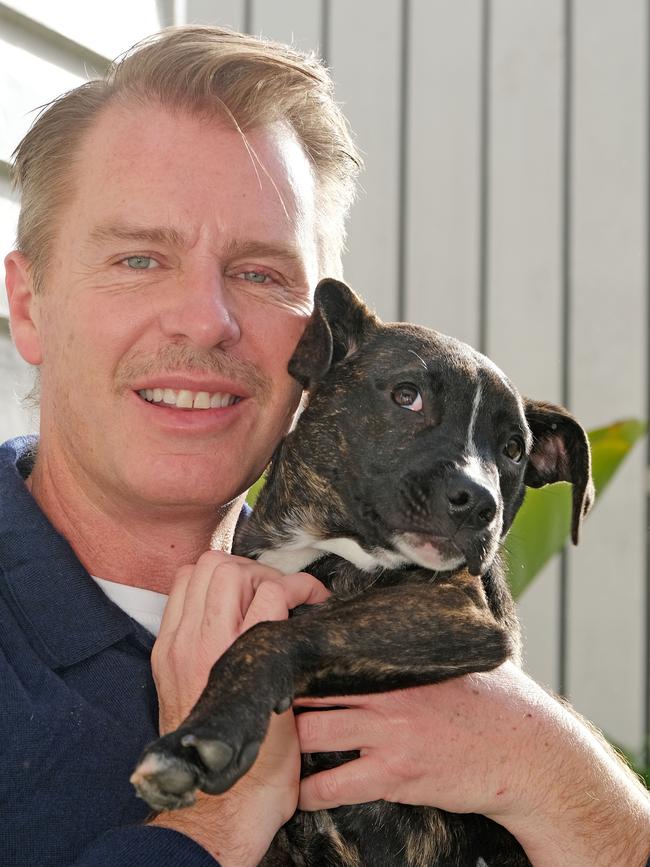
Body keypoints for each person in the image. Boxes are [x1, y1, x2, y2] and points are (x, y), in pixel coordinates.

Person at [1, 24, 648, 867]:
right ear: (28, 305)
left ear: (323, 344)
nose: (206, 318)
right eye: (138, 258)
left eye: (262, 273)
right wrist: (216, 820)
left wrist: (559, 777)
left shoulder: (406, 624)